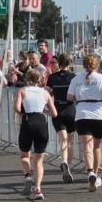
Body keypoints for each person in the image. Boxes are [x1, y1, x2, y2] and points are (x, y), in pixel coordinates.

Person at [68, 54, 102, 192]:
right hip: (100, 114)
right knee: (97, 147)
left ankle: (89, 172)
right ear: (96, 65)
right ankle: (95, 174)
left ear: (83, 65)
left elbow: (69, 97)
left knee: (86, 147)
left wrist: (79, 100)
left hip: (83, 114)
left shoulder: (76, 79)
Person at [15, 69, 58, 200]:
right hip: (41, 122)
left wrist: (24, 113)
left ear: (27, 79)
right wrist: (44, 110)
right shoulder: (45, 93)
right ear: (39, 80)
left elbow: (17, 109)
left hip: (28, 121)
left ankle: (28, 175)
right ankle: (38, 189)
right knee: (39, 160)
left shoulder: (22, 91)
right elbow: (54, 113)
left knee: (24, 155)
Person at [46, 53, 76, 183]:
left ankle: (63, 161)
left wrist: (45, 108)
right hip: (71, 111)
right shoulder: (73, 78)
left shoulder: (52, 77)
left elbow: (46, 94)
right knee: (70, 140)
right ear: (69, 63)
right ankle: (68, 165)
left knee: (62, 140)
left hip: (57, 112)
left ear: (59, 63)